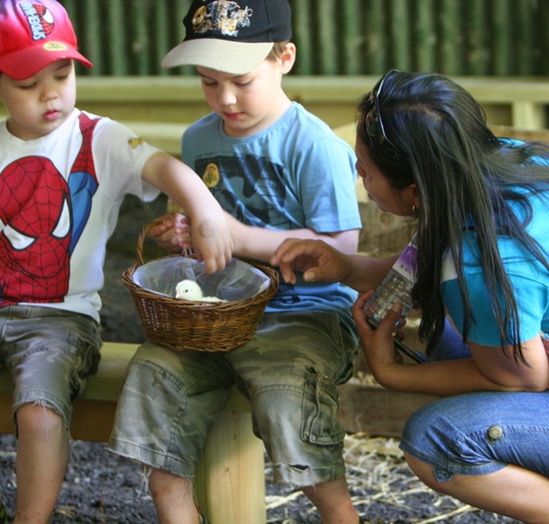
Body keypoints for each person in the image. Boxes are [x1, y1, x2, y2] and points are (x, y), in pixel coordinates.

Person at [272, 70, 549, 524]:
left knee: (435, 440)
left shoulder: (482, 258)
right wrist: (347, 267)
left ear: (416, 191)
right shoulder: (504, 164)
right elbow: (427, 271)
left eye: (367, 172)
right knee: (450, 340)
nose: (359, 176)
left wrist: (391, 373)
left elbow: (521, 380)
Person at [0, 1, 232, 523]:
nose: (51, 93)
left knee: (39, 409)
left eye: (63, 74)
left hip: (61, 318)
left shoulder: (98, 137)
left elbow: (165, 166)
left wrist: (205, 210)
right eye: (29, 83)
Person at [106, 1, 364, 522]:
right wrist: (184, 233)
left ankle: (342, 515)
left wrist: (238, 236)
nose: (225, 99)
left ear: (284, 58)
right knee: (153, 375)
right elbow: (207, 230)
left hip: (302, 314)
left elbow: (343, 251)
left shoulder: (313, 146)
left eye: (242, 81)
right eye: (208, 82)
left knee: (285, 394)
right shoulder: (199, 140)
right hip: (213, 313)